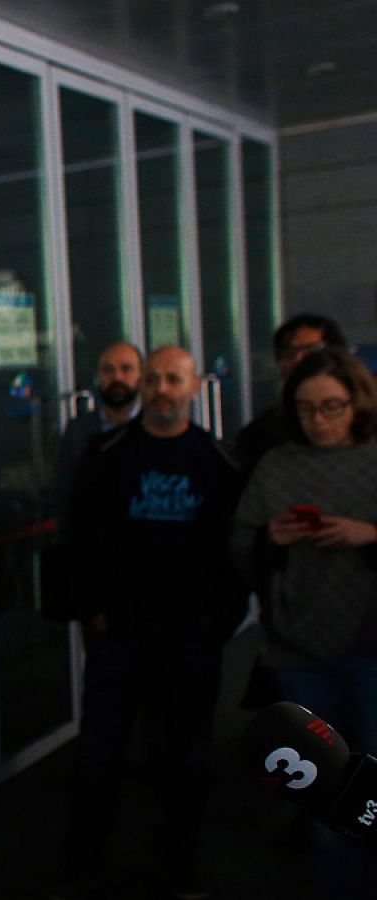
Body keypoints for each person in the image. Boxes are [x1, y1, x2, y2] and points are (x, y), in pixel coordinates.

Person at [55, 346, 248, 900]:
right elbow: (81, 537)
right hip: (120, 638)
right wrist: (92, 610)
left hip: (191, 640)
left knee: (185, 760)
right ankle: (83, 867)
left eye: (173, 379)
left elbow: (233, 552)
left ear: (192, 387)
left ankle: (178, 868)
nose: (162, 388)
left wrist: (220, 622)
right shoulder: (106, 452)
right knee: (99, 757)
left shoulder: (219, 461)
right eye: (155, 378)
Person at [231, 346, 377, 898]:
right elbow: (240, 545)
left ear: (356, 403)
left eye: (332, 407)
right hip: (299, 649)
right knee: (327, 794)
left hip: (371, 646)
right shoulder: (278, 465)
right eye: (308, 408)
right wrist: (271, 540)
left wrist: (370, 535)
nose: (320, 420)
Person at [235, 313, 347, 475]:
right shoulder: (261, 433)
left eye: (311, 350)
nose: (299, 360)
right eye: (290, 353)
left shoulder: (366, 415)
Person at [55, 341, 142, 513]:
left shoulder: (160, 428)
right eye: (108, 370)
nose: (117, 378)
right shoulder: (78, 431)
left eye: (126, 369)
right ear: (98, 376)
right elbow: (64, 493)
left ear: (142, 376)